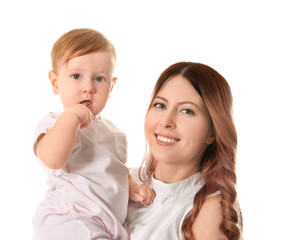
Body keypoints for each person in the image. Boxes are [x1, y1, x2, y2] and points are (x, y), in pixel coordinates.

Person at [32, 28, 154, 240]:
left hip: (108, 224)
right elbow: (52, 159)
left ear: (112, 85)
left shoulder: (114, 133)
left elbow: (114, 170)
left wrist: (132, 188)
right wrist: (72, 117)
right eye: (76, 76)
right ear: (55, 82)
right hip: (69, 219)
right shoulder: (56, 122)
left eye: (99, 79)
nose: (88, 87)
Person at [126, 62, 243, 240]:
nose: (166, 121)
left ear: (212, 132)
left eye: (186, 111)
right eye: (160, 105)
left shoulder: (210, 209)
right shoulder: (123, 179)